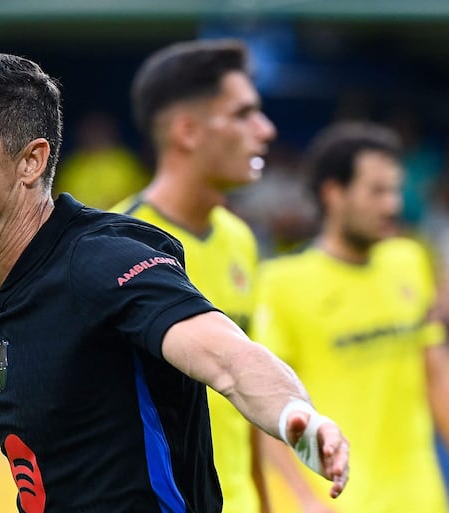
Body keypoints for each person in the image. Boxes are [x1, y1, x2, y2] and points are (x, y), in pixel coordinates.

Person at [0, 51, 350, 513]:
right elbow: (12, 389)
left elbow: (228, 356)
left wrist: (294, 418)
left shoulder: (101, 261)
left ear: (31, 162)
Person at [111, 39, 276, 513]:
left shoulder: (240, 238)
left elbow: (249, 389)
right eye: (244, 114)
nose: (265, 130)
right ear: (187, 131)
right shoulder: (117, 246)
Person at [252, 121, 449, 513]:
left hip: (420, 496)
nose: (392, 204)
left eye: (394, 189)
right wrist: (305, 500)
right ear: (333, 193)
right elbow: (262, 407)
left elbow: (436, 373)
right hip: (331, 501)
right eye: (377, 191)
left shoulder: (409, 260)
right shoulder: (281, 284)